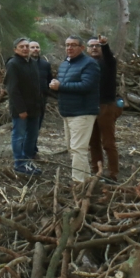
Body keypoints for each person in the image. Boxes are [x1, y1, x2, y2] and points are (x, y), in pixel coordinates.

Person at [50, 35, 100, 183]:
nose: (69, 48)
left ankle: (77, 182)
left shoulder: (89, 64)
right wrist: (55, 85)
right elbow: (65, 86)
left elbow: (86, 86)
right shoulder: (65, 64)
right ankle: (86, 179)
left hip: (83, 112)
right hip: (67, 112)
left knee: (79, 149)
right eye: (67, 45)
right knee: (73, 149)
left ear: (82, 48)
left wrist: (61, 86)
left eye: (73, 45)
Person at [5, 37, 44, 175]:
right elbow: (12, 89)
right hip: (20, 109)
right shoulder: (13, 64)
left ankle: (27, 160)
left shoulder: (32, 63)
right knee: (19, 136)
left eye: (27, 46)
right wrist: (21, 109)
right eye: (21, 46)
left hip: (35, 108)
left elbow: (36, 85)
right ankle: (19, 163)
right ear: (15, 49)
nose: (25, 49)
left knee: (32, 136)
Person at [87, 36, 121, 181]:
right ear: (87, 49)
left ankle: (113, 173)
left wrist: (105, 44)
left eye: (97, 46)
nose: (94, 48)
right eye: (91, 46)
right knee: (93, 142)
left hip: (106, 106)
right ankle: (97, 171)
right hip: (89, 106)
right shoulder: (86, 64)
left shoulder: (108, 62)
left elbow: (109, 56)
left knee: (108, 142)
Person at [27, 40, 53, 161]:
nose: (35, 49)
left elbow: (49, 81)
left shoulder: (45, 65)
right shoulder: (23, 63)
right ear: (28, 49)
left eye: (37, 47)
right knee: (25, 128)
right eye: (32, 47)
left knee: (36, 127)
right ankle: (24, 152)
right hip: (27, 102)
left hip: (41, 101)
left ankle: (33, 150)